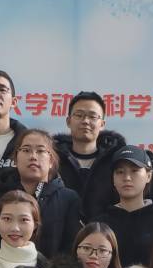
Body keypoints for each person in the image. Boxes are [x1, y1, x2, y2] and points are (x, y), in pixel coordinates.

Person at [0, 128, 82, 258]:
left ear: (51, 161)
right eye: (26, 150)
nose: (33, 156)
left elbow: (71, 247)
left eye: (40, 151)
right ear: (16, 159)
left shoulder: (68, 199)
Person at [54, 91, 128, 221]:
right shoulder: (53, 159)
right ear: (68, 121)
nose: (85, 121)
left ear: (102, 124)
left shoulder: (116, 161)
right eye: (79, 115)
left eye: (93, 117)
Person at [96, 146, 153, 268]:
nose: (127, 178)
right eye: (120, 172)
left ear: (149, 176)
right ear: (113, 178)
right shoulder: (100, 224)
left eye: (134, 171)